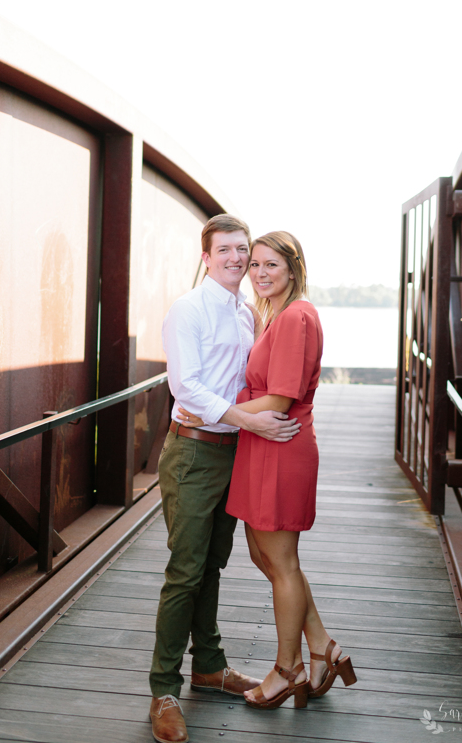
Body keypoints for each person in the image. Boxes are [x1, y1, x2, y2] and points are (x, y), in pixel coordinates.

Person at [178, 231, 357, 712]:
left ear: (294, 268)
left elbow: (279, 400)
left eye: (270, 265)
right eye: (252, 264)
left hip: (281, 445)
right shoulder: (270, 315)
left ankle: (287, 670)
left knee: (281, 563)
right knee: (266, 556)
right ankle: (322, 647)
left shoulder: (297, 315)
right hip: (260, 443)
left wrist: (212, 410)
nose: (257, 273)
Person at [149, 215, 301, 743]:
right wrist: (249, 419)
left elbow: (249, 381)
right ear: (206, 255)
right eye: (228, 251)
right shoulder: (187, 311)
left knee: (213, 564)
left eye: (245, 250)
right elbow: (186, 387)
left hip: (234, 453)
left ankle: (209, 666)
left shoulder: (246, 314)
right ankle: (164, 688)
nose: (239, 260)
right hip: (192, 454)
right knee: (185, 571)